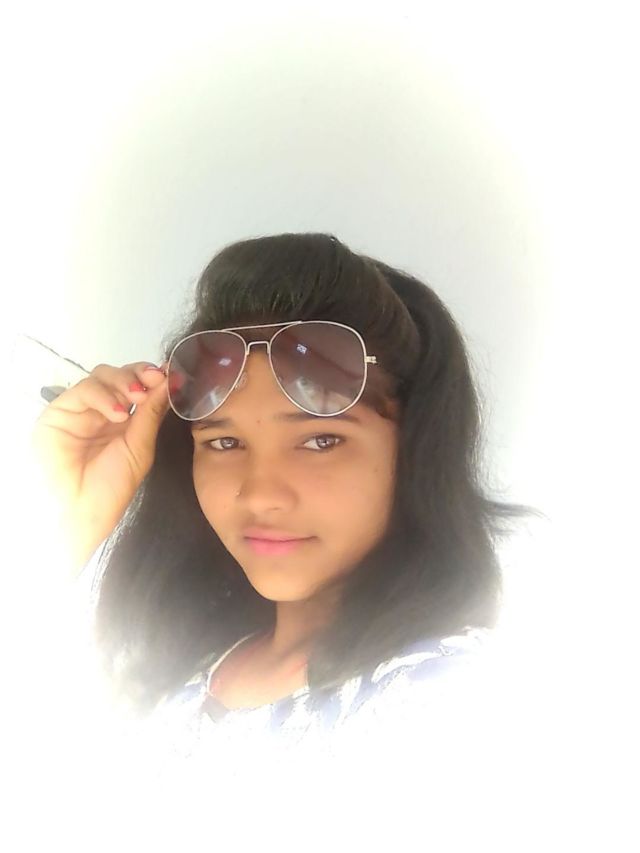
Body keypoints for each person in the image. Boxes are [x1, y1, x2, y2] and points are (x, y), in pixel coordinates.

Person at [29, 232, 542, 804]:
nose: (261, 496)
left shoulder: (449, 700)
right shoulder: (162, 672)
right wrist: (69, 523)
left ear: (415, 452)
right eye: (224, 443)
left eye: (321, 440)